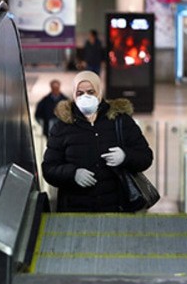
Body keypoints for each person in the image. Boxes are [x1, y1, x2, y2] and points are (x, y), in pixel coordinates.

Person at [41, 71, 153, 212]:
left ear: (99, 92)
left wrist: (125, 156)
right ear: (73, 95)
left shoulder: (120, 121)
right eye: (80, 93)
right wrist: (72, 173)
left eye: (90, 92)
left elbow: (145, 157)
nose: (85, 97)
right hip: (76, 211)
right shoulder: (62, 127)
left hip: (116, 209)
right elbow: (49, 169)